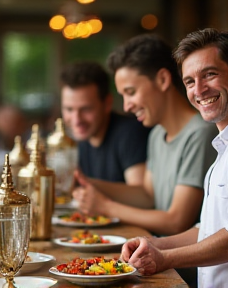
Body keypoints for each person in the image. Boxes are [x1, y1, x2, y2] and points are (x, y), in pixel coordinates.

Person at [120, 28, 228, 288]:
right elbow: (210, 229)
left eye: (210, 75)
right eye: (190, 81)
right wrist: (154, 244)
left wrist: (164, 258)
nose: (199, 90)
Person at [72, 34, 217, 237]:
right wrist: (89, 183)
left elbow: (177, 221)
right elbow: (147, 196)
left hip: (179, 265)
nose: (126, 106)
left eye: (131, 92)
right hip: (154, 255)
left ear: (163, 80)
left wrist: (106, 207)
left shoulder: (200, 133)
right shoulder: (157, 134)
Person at [60, 61, 151, 185]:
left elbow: (143, 196)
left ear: (107, 103)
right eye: (69, 109)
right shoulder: (80, 139)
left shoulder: (131, 134)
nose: (76, 120)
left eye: (86, 109)